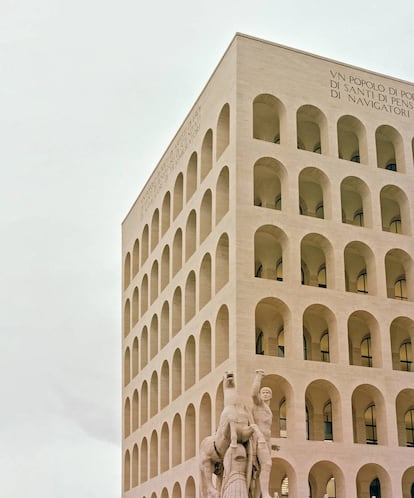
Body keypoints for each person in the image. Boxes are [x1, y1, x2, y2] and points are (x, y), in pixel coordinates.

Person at [251, 369, 273, 498]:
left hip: (267, 441)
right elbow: (253, 393)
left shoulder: (268, 409)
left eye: (267, 393)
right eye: (263, 392)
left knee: (261, 469)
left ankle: (258, 494)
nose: (265, 394)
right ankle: (265, 494)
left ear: (270, 396)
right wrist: (258, 377)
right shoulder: (258, 404)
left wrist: (272, 443)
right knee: (267, 464)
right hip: (259, 439)